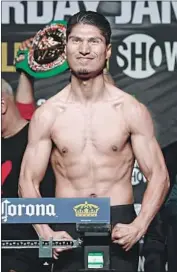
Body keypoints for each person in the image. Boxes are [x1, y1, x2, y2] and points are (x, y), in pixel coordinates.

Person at [19, 11, 170, 272]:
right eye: (76, 41)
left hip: (118, 222)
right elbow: (27, 181)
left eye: (94, 41)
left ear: (108, 50)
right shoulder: (49, 114)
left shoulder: (129, 109)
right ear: (64, 48)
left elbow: (159, 175)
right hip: (66, 221)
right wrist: (45, 232)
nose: (85, 50)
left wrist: (139, 225)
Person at [1, 40, 55, 272]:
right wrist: (25, 70)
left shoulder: (36, 139)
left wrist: (27, 72)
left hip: (29, 246)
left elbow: (23, 116)